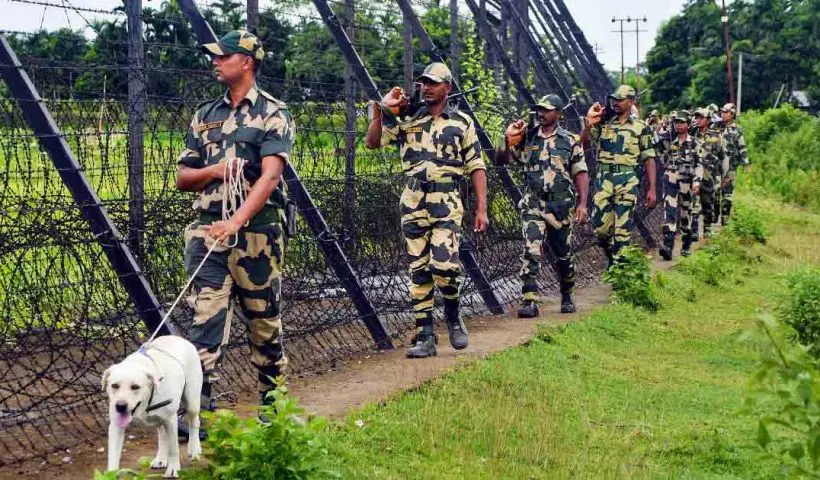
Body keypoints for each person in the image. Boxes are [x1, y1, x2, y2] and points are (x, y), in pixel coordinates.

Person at [175, 30, 295, 431]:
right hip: (208, 233)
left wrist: (237, 221)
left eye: (223, 56)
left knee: (263, 321)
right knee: (205, 318)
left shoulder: (274, 114)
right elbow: (183, 177)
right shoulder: (204, 114)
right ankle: (194, 410)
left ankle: (272, 401)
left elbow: (271, 177)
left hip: (257, 236)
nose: (215, 62)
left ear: (246, 61)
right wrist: (213, 171)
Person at [364, 62, 489, 359]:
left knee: (444, 266)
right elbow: (372, 142)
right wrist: (382, 108)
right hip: (413, 199)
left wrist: (481, 208)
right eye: (423, 83)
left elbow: (476, 166)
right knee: (418, 270)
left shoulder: (461, 122)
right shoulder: (407, 117)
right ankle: (425, 335)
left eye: (433, 83)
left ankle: (453, 313)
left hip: (446, 199)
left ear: (447, 87)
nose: (426, 87)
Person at [496, 94, 590, 317]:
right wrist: (506, 139)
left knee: (562, 255)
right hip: (533, 203)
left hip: (560, 206)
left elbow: (581, 172)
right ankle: (529, 300)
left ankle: (567, 294)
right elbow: (501, 160)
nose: (541, 114)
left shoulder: (569, 140)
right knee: (531, 250)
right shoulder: (527, 138)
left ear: (558, 113)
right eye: (539, 109)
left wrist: (583, 204)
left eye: (547, 110)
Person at [581, 85, 657, 266]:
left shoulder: (641, 127)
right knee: (600, 228)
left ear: (631, 102)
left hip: (627, 180)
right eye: (614, 99)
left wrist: (652, 189)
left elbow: (649, 158)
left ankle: (620, 272)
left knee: (622, 231)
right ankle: (611, 256)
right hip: (604, 180)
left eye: (620, 100)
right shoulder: (603, 122)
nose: (615, 103)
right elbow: (583, 145)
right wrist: (587, 123)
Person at [658, 111, 702, 259]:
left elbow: (699, 164)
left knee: (685, 215)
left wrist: (696, 181)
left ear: (688, 124)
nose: (678, 124)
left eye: (682, 122)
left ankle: (686, 245)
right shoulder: (669, 139)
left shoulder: (695, 143)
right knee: (669, 212)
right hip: (670, 179)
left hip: (687, 181)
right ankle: (668, 247)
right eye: (676, 122)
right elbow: (657, 149)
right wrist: (663, 130)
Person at [692, 107, 728, 237]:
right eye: (697, 117)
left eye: (701, 117)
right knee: (693, 203)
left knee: (707, 203)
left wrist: (725, 174)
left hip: (709, 173)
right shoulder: (692, 133)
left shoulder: (715, 135)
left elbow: (722, 155)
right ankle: (694, 230)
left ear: (708, 120)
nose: (698, 120)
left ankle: (707, 229)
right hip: (694, 172)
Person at [719, 103, 749, 224]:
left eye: (726, 112)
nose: (723, 114)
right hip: (715, 166)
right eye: (722, 112)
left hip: (730, 167)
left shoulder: (737, 130)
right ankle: (710, 222)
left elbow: (742, 147)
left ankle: (724, 221)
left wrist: (746, 163)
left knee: (727, 195)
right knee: (714, 194)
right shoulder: (717, 127)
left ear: (732, 114)